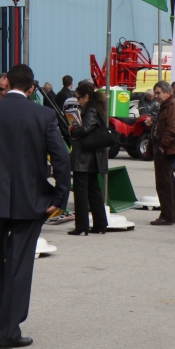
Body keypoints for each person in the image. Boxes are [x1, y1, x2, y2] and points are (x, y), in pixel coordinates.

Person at [0, 64, 70, 349]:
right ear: (32, 88)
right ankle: (10, 330)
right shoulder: (43, 115)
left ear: (6, 83)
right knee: (19, 263)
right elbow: (61, 158)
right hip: (30, 199)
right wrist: (58, 198)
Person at [67, 83, 109, 236]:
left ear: (87, 96)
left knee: (81, 191)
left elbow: (85, 129)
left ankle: (82, 226)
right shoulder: (97, 108)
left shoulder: (91, 110)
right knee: (93, 190)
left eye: (79, 97)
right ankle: (100, 224)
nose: (78, 101)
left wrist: (72, 129)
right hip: (93, 157)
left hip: (84, 157)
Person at [145, 81, 175, 225]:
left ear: (167, 93)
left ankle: (167, 216)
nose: (156, 96)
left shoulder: (172, 105)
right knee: (167, 181)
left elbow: (172, 129)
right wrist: (154, 122)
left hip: (166, 149)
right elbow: (166, 125)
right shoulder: (167, 105)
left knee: (164, 183)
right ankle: (171, 214)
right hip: (165, 147)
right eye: (155, 93)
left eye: (158, 93)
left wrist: (162, 146)